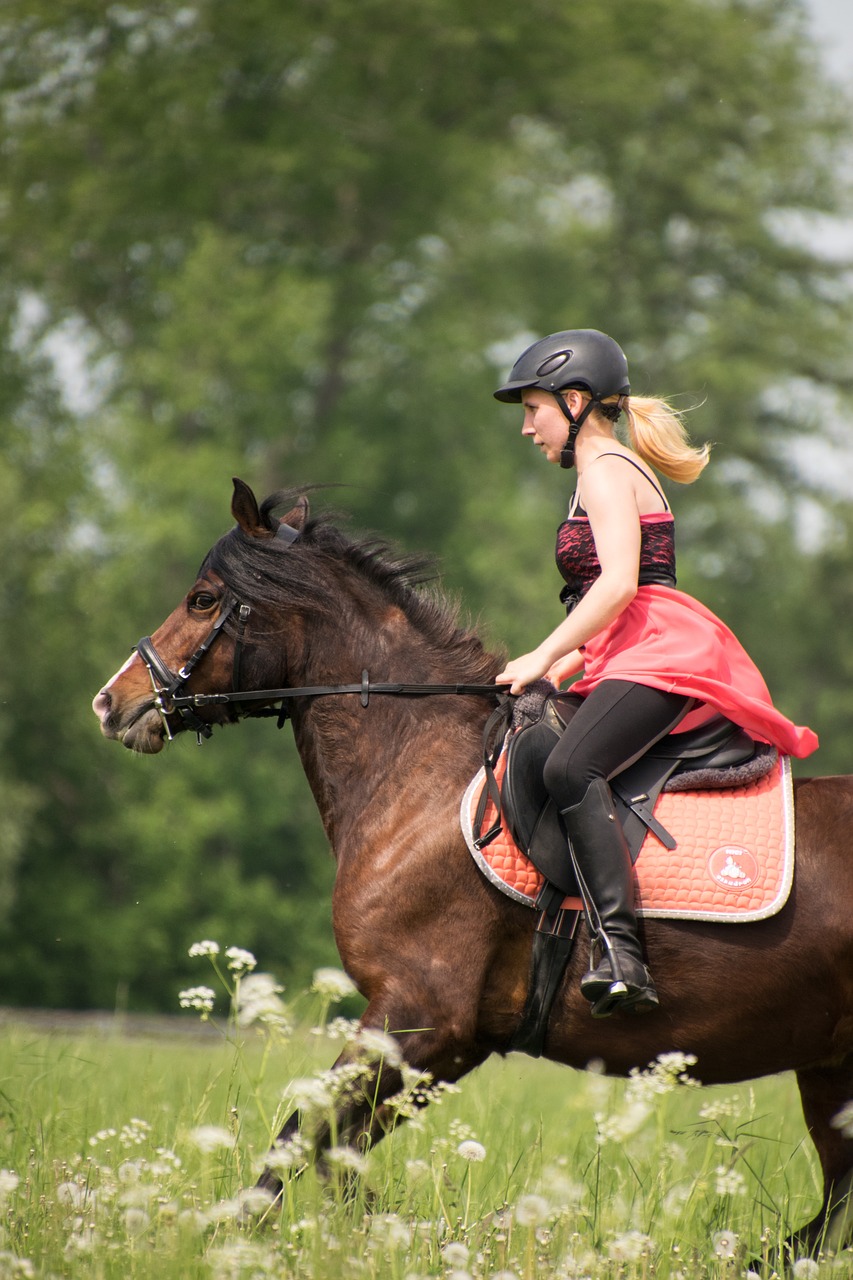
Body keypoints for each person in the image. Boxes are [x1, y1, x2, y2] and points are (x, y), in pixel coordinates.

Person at [493, 329, 818, 1019]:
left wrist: (541, 656)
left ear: (575, 401)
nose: (526, 428)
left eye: (534, 410)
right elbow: (609, 612)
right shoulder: (599, 469)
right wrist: (545, 672)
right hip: (631, 650)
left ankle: (621, 951)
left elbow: (616, 590)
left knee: (569, 771)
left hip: (664, 654)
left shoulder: (605, 468)